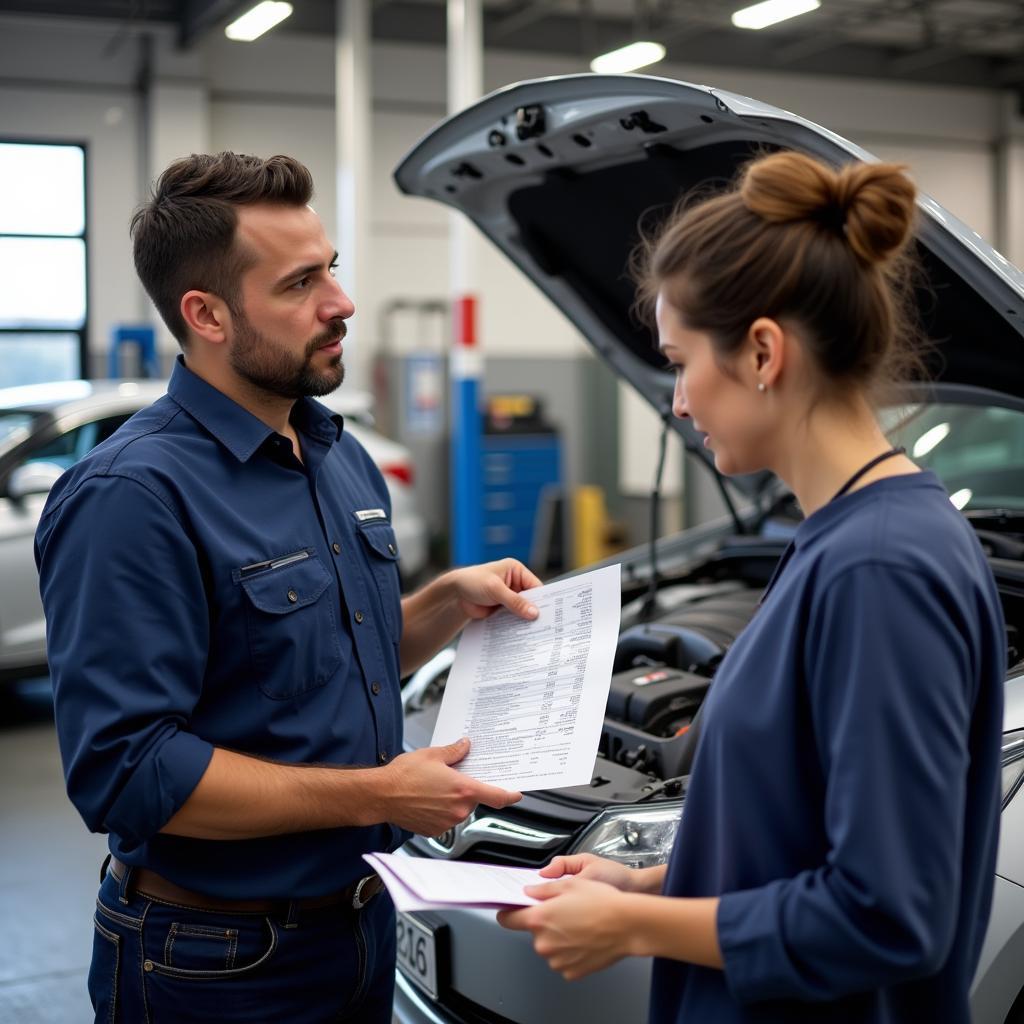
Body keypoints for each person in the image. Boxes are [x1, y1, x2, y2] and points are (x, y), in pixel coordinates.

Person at [499, 151, 1006, 1023]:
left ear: (764, 351)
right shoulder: (839, 538)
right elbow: (794, 831)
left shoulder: (881, 570)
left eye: (678, 362)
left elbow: (885, 915)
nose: (678, 403)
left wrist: (635, 925)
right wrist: (650, 882)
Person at [35, 151, 541, 1024]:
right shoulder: (133, 497)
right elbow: (128, 771)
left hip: (359, 927)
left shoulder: (338, 457)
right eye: (300, 283)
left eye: (332, 269)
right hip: (213, 963)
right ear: (207, 315)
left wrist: (444, 607)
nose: (340, 303)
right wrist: (380, 794)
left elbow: (328, 645)